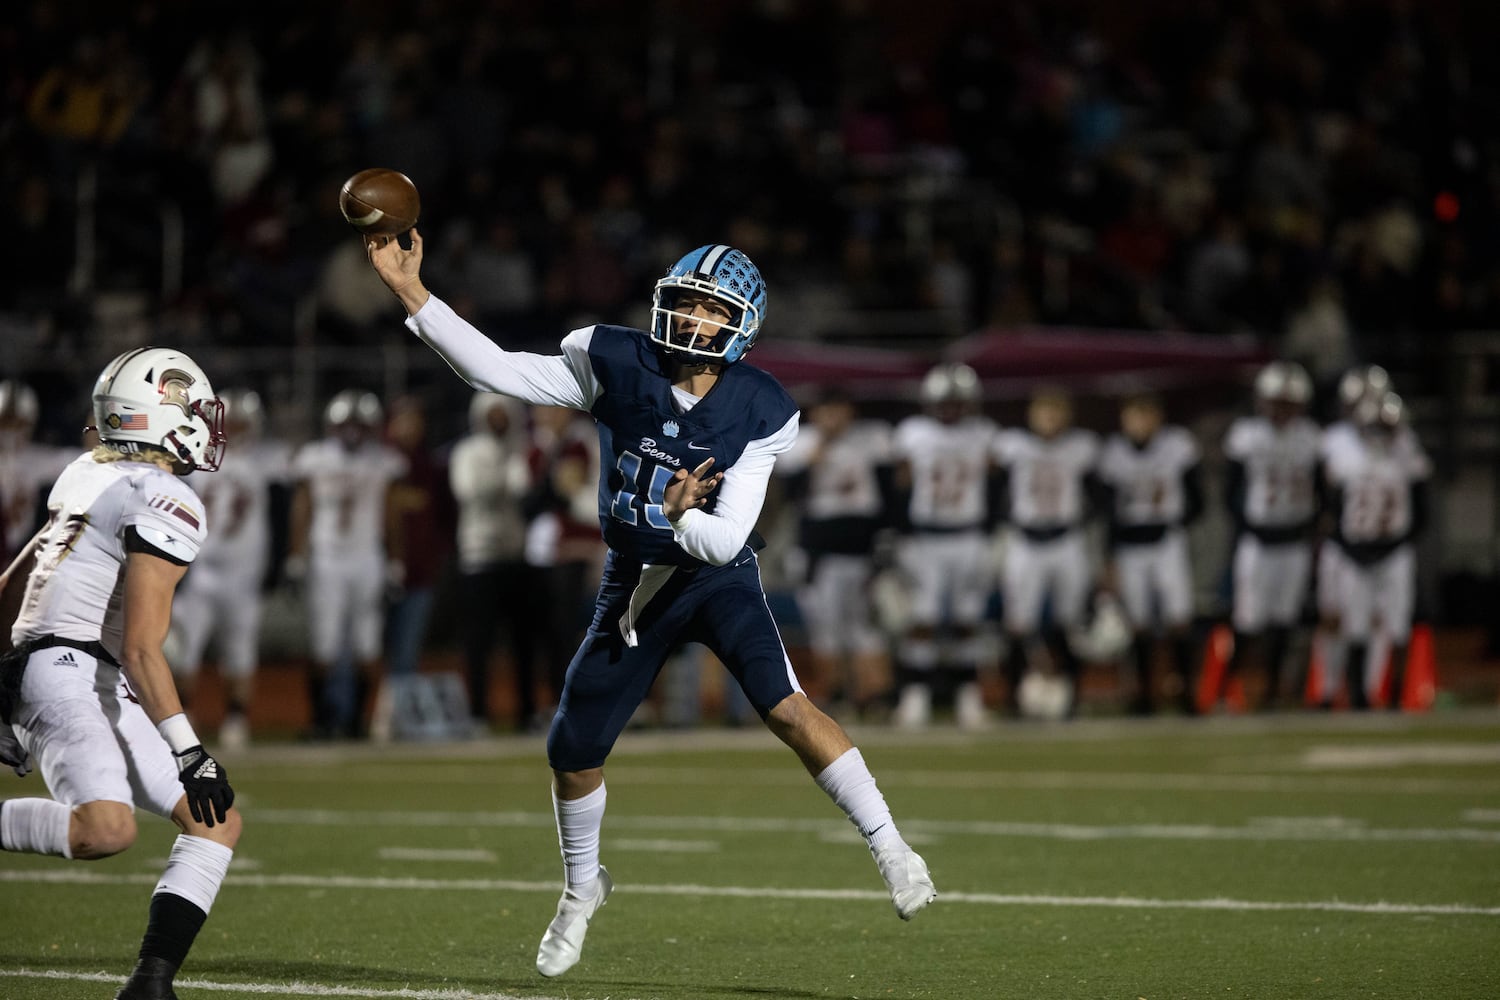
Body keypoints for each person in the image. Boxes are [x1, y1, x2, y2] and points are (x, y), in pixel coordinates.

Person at [365, 235, 936, 978]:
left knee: (789, 707)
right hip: (634, 582)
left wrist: (678, 517)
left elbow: (726, 537)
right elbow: (495, 370)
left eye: (709, 308)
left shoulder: (761, 407)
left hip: (717, 577)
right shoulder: (616, 363)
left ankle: (892, 844)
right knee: (571, 750)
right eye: (686, 300)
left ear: (742, 325)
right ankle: (581, 890)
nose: (691, 317)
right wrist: (413, 291)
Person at [0, 347, 240, 1000]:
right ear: (155, 416)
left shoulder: (87, 472)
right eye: (192, 410)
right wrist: (192, 752)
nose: (206, 424)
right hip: (70, 668)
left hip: (64, 664)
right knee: (105, 831)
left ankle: (151, 982)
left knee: (214, 821)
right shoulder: (165, 497)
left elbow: (14, 581)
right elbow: (142, 649)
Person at [168, 388, 290, 748]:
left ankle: (236, 718)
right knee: (183, 652)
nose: (233, 430)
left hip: (244, 576)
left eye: (240, 424)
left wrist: (277, 567)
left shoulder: (268, 461)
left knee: (240, 652)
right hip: (200, 574)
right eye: (228, 423)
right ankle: (185, 714)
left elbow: (282, 514)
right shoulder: (192, 461)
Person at [286, 390, 407, 739]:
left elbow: (392, 515)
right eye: (346, 424)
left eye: (359, 425)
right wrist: (296, 557)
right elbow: (303, 508)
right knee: (323, 643)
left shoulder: (384, 460)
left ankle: (356, 721)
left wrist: (395, 563)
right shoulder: (316, 458)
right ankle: (322, 720)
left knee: (367, 645)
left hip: (367, 558)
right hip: (326, 558)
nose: (352, 432)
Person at [774, 386, 896, 720]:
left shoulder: (872, 438)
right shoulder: (801, 443)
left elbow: (888, 493)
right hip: (819, 552)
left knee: (864, 626)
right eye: (827, 410)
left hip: (861, 549)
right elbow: (791, 497)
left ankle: (873, 696)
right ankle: (833, 695)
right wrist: (814, 459)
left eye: (839, 409)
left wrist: (886, 540)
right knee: (825, 629)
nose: (834, 417)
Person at [889, 362, 1000, 728]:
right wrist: (899, 533)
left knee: (968, 619)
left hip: (969, 534)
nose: (951, 409)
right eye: (946, 402)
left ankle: (968, 699)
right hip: (926, 536)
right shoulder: (913, 433)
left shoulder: (984, 433)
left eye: (958, 402)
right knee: (924, 618)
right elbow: (901, 486)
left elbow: (998, 483)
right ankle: (915, 698)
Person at [1217, 362, 1322, 710]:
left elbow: (1322, 491)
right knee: (1247, 620)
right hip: (1258, 540)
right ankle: (1224, 689)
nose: (1281, 410)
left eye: (1288, 403)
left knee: (1284, 621)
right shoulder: (1247, 435)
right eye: (1276, 402)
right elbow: (1231, 490)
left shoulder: (1311, 437)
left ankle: (1274, 693)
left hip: (1294, 539)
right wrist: (1244, 525)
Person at [993, 386, 1100, 718]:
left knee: (1071, 622)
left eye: (1056, 412)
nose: (1050, 420)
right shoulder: (1013, 445)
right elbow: (995, 489)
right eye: (1044, 412)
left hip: (1066, 538)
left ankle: (1072, 694)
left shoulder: (1081, 447)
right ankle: (1013, 696)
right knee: (1017, 622)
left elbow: (1098, 497)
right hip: (1026, 539)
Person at [1097, 391, 1204, 715]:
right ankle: (1144, 695)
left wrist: (1178, 521)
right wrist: (1110, 556)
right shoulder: (1114, 452)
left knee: (1179, 617)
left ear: (1158, 417)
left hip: (1166, 538)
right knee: (1138, 622)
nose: (1140, 423)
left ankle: (1187, 692)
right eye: (1134, 415)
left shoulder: (1177, 446)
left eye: (1146, 415)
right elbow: (1108, 510)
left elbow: (1196, 497)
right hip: (1131, 543)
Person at [1323, 389, 1431, 709]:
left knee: (1397, 623)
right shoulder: (1347, 459)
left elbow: (1423, 512)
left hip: (1393, 550)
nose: (1383, 434)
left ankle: (1396, 693)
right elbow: (1332, 512)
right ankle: (1359, 697)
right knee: (1355, 623)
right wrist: (1349, 548)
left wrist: (1399, 543)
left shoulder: (1407, 456)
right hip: (1357, 551)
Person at [449, 391, 538, 729]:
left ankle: (527, 711)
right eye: (493, 414)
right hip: (478, 556)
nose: (499, 420)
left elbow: (526, 492)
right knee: (478, 641)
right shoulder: (468, 452)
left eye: (504, 413)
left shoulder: (522, 449)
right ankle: (477, 712)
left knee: (523, 642)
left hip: (516, 554)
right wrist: (502, 476)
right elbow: (468, 491)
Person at [0, 379, 75, 567]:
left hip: (16, 555)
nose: (11, 432)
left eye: (18, 424)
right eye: (6, 423)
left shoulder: (33, 459)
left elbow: (74, 459)